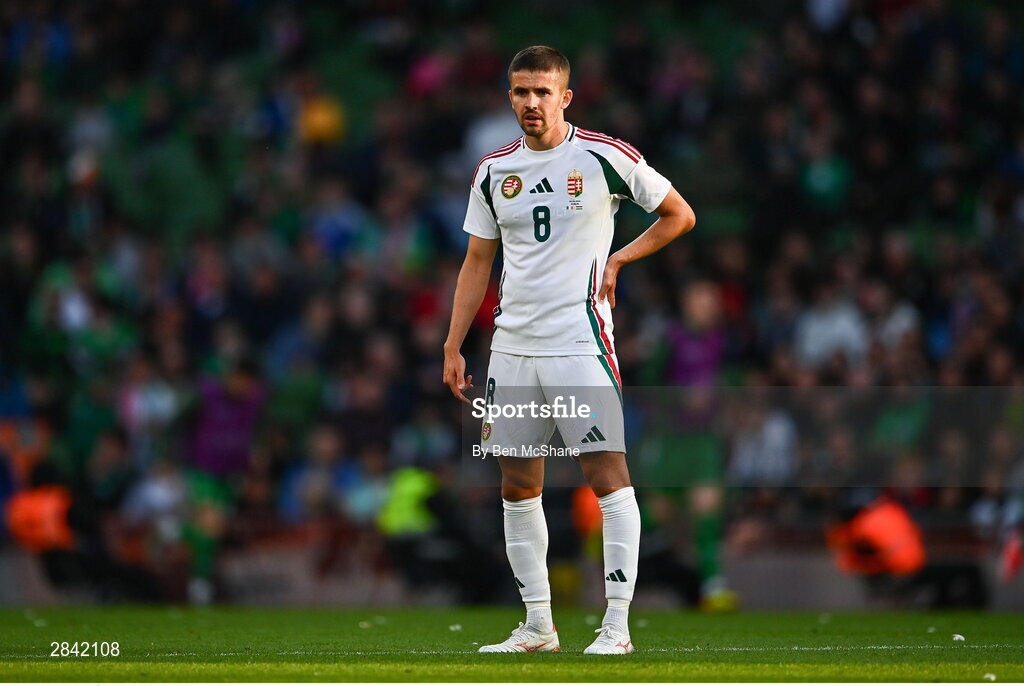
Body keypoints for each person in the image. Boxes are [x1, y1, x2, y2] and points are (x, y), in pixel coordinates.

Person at [443, 46, 695, 654]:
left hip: (580, 342)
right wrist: (453, 345)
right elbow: (477, 260)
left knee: (607, 478)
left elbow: (678, 215)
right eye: (520, 92)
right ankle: (538, 625)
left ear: (566, 97)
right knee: (517, 485)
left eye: (542, 92)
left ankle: (616, 625)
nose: (531, 103)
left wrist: (621, 257)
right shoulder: (492, 171)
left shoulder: (605, 156)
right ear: (509, 97)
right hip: (512, 347)